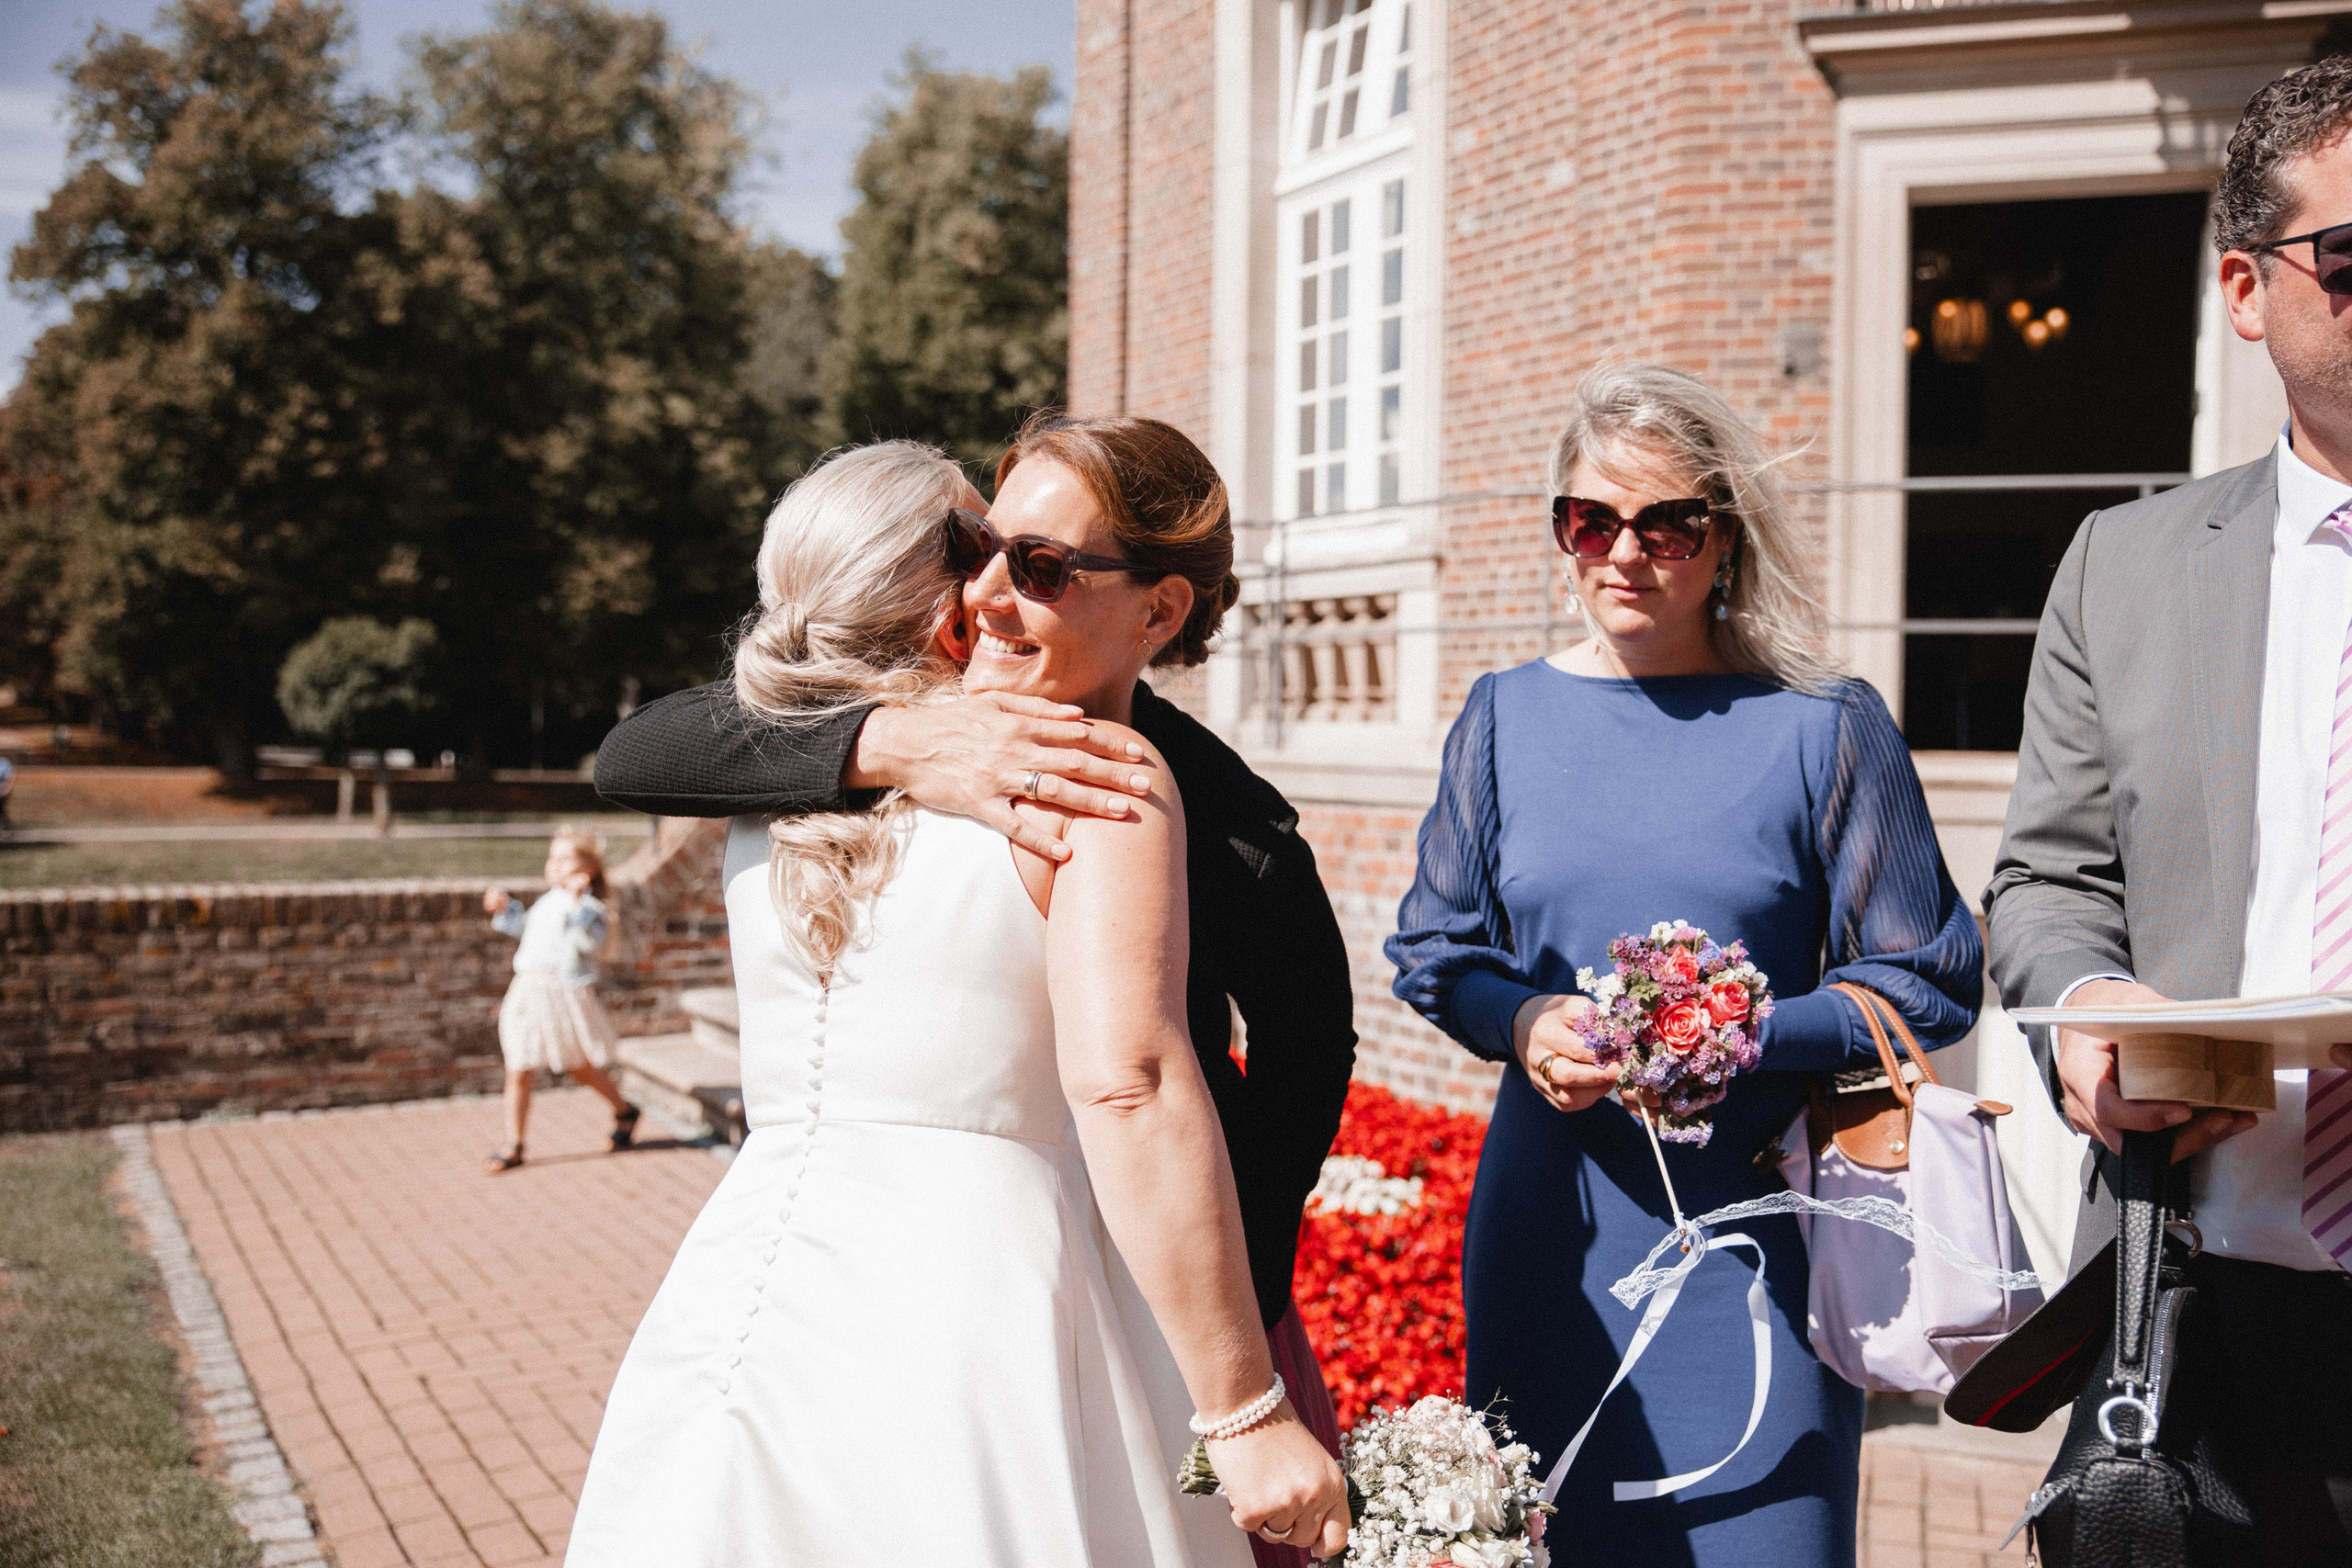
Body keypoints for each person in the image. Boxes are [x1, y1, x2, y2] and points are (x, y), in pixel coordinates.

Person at [566, 437, 1348, 1565]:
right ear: (928, 600)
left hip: (762, 1277)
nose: (989, 587)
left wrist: (1244, 1317)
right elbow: (1126, 1080)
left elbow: (1304, 1052)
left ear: (1159, 611)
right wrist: (1240, 1408)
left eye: (1032, 563)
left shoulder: (776, 813)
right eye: (976, 552)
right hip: (987, 1295)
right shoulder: (855, 761)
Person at [1386, 364, 1982, 1568]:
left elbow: (1927, 977)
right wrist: (1525, 1017)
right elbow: (1434, 947)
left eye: (1666, 524)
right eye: (1589, 520)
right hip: (1555, 1231)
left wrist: (1738, 1031)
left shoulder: (1825, 722)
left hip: (1760, 1238)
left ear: (1726, 538)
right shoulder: (1503, 716)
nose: (1624, 552)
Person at [1984, 57, 2352, 1561]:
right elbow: (2048, 879)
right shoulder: (2123, 568)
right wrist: (2091, 1004)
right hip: (2201, 1322)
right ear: (2250, 290)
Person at [480, 828, 639, 1173]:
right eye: (552, 857)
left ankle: (624, 1109)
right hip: (526, 991)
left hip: (561, 995)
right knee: (519, 1065)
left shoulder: (590, 908)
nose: (554, 865)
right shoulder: (549, 900)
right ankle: (514, 1142)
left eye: (564, 858)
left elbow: (588, 943)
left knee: (579, 1066)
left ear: (589, 869)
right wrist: (506, 908)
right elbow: (529, 931)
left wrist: (579, 901)